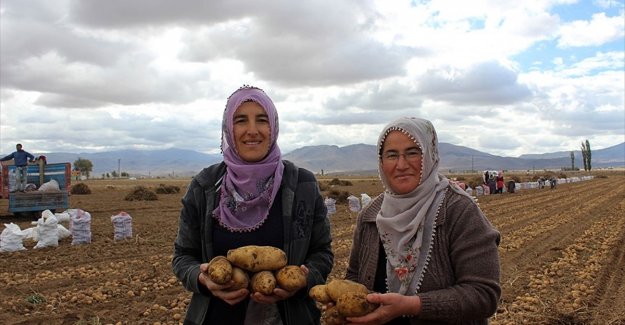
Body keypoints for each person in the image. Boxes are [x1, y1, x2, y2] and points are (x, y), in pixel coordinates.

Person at [172, 85, 333, 325]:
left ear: (273, 127)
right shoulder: (204, 186)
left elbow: (322, 252)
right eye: (240, 120)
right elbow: (183, 257)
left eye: (261, 120)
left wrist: (302, 280)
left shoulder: (302, 184)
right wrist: (203, 279)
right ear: (228, 128)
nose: (252, 131)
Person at [345, 117, 501, 324]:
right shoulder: (370, 215)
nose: (401, 165)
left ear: (429, 155)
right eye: (392, 155)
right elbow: (354, 277)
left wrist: (412, 305)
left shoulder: (459, 210)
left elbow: (484, 295)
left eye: (412, 152)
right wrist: (341, 300)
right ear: (381, 162)